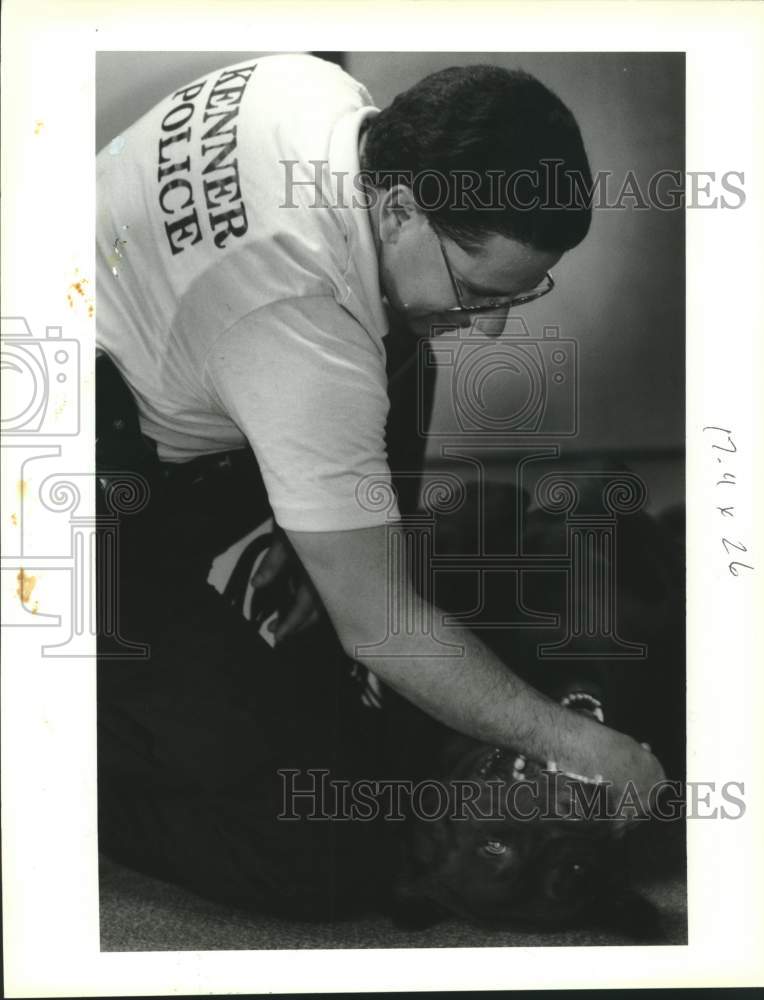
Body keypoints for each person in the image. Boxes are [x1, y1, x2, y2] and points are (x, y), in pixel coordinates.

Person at [96, 53, 663, 841]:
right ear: (398, 208)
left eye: (519, 292)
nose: (492, 325)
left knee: (415, 327)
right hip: (67, 493)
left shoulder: (321, 96)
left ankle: (321, 549)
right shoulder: (303, 330)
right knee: (304, 833)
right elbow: (379, 624)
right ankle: (51, 774)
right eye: (481, 288)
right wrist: (575, 745)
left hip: (137, 349)